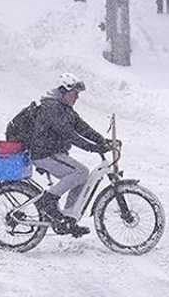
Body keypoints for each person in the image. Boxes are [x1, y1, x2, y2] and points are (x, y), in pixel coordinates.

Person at [29, 74, 113, 237]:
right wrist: (93, 148)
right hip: (44, 154)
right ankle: (48, 200)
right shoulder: (51, 107)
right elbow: (68, 134)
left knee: (82, 174)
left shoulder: (64, 108)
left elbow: (82, 128)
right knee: (80, 172)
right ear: (64, 91)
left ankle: (68, 218)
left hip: (53, 153)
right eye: (75, 93)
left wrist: (102, 140)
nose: (77, 97)